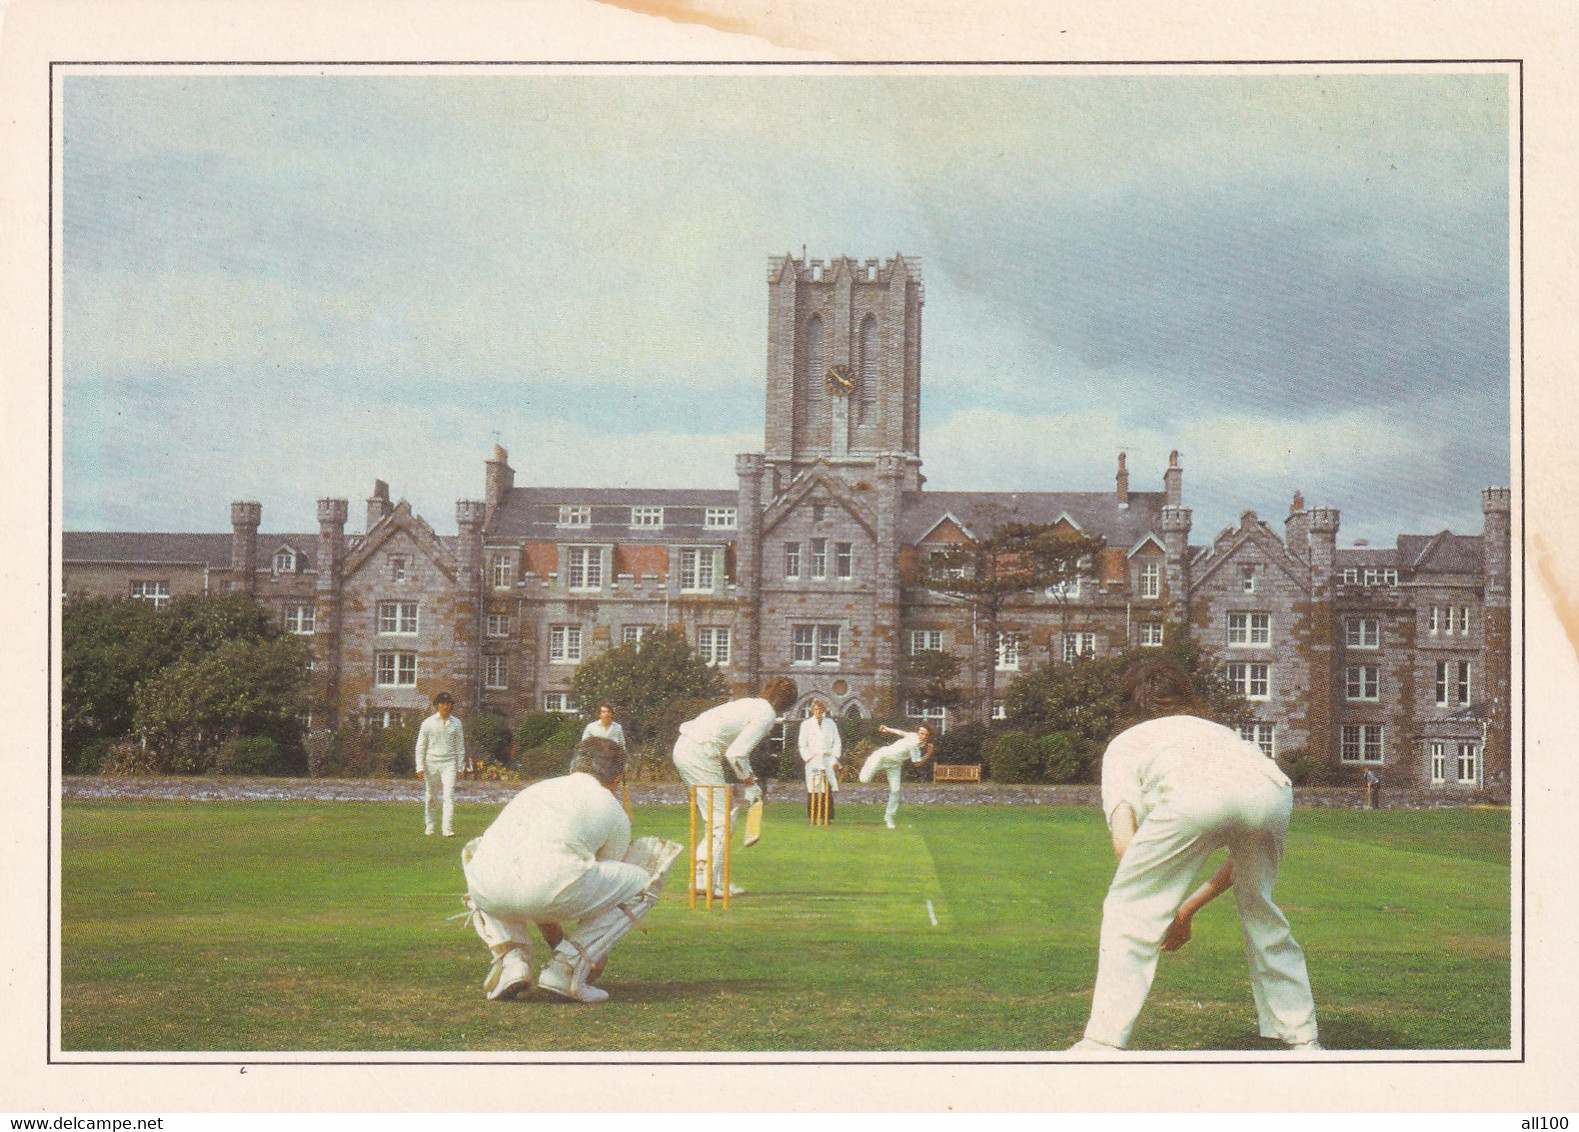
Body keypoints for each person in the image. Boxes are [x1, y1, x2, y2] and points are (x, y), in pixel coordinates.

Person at [1069, 656, 1320, 1053]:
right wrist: (1183, 911)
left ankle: (1101, 1044)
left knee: (1129, 908)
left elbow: (1125, 844)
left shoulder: (1125, 744)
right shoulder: (1222, 734)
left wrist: (1158, 903)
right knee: (1262, 910)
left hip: (1197, 798)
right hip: (1272, 789)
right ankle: (1303, 1041)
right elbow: (1238, 861)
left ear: (1129, 704)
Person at [460, 737, 676, 1004]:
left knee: (479, 852)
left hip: (487, 892)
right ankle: (566, 970)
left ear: (575, 767)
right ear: (617, 779)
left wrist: (557, 939)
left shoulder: (534, 790)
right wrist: (588, 956)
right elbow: (606, 894)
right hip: (547, 888)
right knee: (645, 875)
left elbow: (541, 870)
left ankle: (513, 961)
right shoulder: (612, 808)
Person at [671, 676, 798, 897]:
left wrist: (750, 781)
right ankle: (712, 882)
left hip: (686, 747)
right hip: (700, 751)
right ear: (787, 704)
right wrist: (751, 784)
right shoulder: (765, 714)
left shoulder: (751, 704)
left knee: (718, 818)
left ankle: (704, 877)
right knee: (721, 820)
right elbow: (737, 753)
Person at [859, 722, 933, 830]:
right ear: (917, 733)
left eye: (926, 735)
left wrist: (888, 729)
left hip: (895, 764)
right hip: (881, 757)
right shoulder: (913, 743)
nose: (923, 737)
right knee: (864, 780)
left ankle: (889, 817)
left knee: (895, 790)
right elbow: (917, 762)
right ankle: (870, 760)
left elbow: (903, 733)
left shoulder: (918, 743)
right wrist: (929, 754)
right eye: (922, 733)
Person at [415, 692, 465, 837]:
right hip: (431, 763)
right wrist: (419, 766)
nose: (445, 707)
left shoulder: (456, 724)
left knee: (449, 796)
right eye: (442, 704)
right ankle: (430, 827)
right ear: (437, 705)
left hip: (449, 763)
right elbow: (421, 746)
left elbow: (459, 747)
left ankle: (447, 829)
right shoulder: (427, 723)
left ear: (451, 706)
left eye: (448, 704)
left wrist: (459, 767)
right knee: (431, 796)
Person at [797, 698, 842, 821]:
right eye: (815, 709)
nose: (818, 711)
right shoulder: (806, 725)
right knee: (814, 788)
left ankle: (826, 817)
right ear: (812, 710)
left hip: (827, 759)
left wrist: (835, 758)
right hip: (813, 760)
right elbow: (802, 744)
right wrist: (807, 757)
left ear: (823, 710)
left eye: (820, 709)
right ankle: (813, 816)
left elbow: (837, 742)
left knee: (827, 788)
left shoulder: (830, 723)